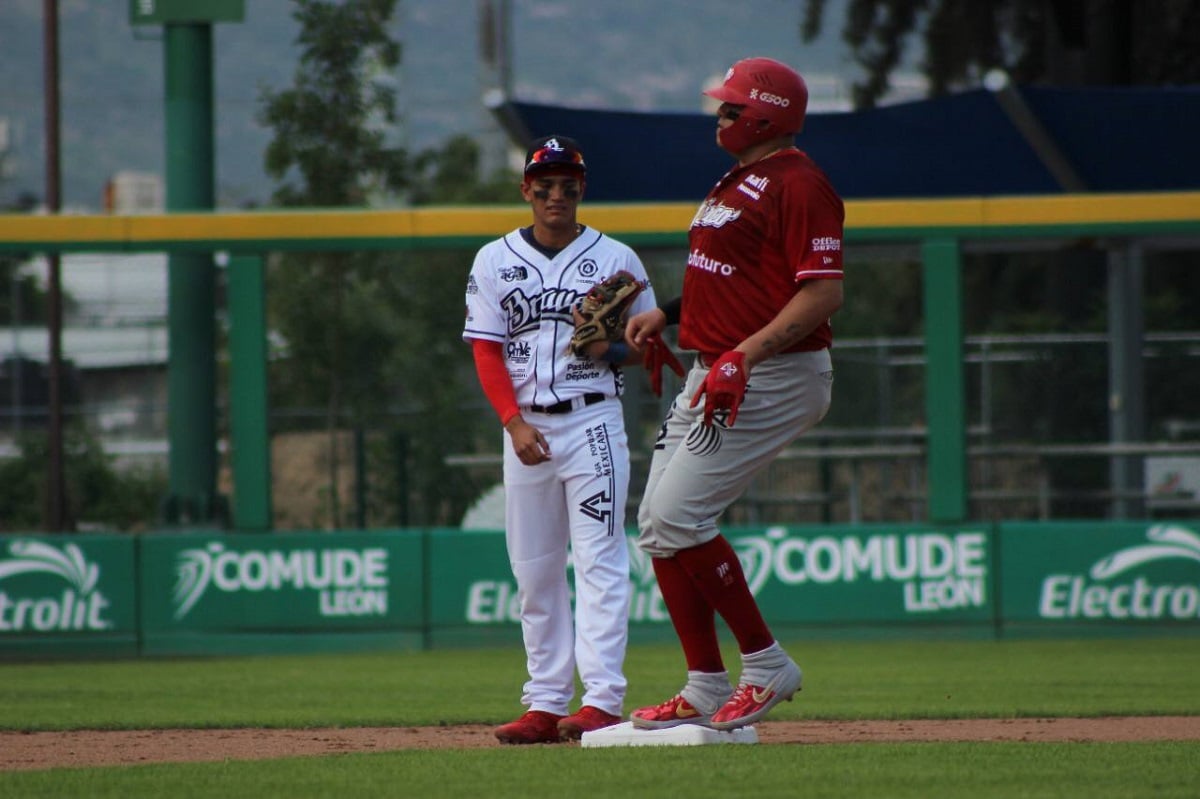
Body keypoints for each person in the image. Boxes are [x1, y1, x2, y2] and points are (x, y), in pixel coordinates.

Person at [625, 57, 844, 731]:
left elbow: (823, 291)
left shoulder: (800, 182)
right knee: (659, 530)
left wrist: (744, 354)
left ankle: (767, 664)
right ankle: (705, 684)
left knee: (677, 514)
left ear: (765, 112)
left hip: (768, 374)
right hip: (714, 367)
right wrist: (669, 310)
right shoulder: (741, 177)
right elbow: (736, 274)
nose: (719, 115)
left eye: (730, 106)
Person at [463, 134, 660, 744]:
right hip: (526, 425)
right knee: (534, 568)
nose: (556, 194)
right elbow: (486, 350)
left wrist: (614, 349)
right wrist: (512, 422)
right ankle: (545, 702)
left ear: (581, 190)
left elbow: (648, 345)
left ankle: (600, 701)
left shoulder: (617, 259)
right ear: (527, 190)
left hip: (592, 419)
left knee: (599, 559)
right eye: (544, 185)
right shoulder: (493, 260)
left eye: (566, 185)